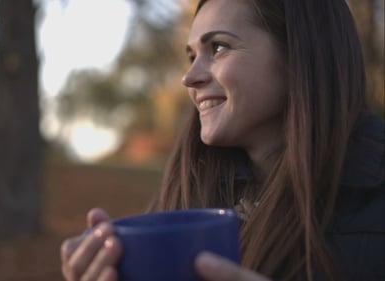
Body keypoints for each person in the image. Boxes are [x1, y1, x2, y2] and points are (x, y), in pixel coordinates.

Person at [60, 0, 385, 280]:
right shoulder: (189, 186)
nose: (189, 78)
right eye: (191, 56)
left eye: (218, 47)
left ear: (299, 54)